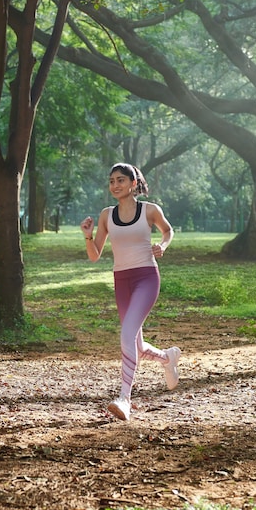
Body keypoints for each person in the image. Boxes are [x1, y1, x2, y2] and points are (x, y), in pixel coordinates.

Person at [80, 163, 181, 422]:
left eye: (121, 180)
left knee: (126, 334)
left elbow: (168, 230)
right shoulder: (106, 215)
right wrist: (88, 236)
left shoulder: (150, 210)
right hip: (122, 281)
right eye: (112, 181)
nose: (115, 185)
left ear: (133, 183)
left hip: (146, 278)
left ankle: (124, 399)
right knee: (135, 343)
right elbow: (94, 256)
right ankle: (167, 358)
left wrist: (163, 245)